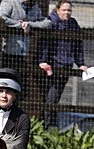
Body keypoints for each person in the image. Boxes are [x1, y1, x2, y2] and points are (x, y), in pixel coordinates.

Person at [38, 0, 87, 128]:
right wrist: (43, 61)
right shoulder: (51, 22)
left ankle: (50, 126)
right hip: (52, 65)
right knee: (51, 97)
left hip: (66, 65)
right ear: (58, 10)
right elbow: (44, 43)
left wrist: (80, 63)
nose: (67, 12)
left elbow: (78, 45)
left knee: (56, 96)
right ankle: (46, 126)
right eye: (64, 10)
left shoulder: (73, 24)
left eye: (69, 10)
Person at [0, 0, 52, 83]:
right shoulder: (10, 2)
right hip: (9, 54)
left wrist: (30, 24)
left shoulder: (35, 6)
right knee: (8, 82)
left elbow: (48, 23)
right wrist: (19, 25)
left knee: (22, 86)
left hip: (25, 56)